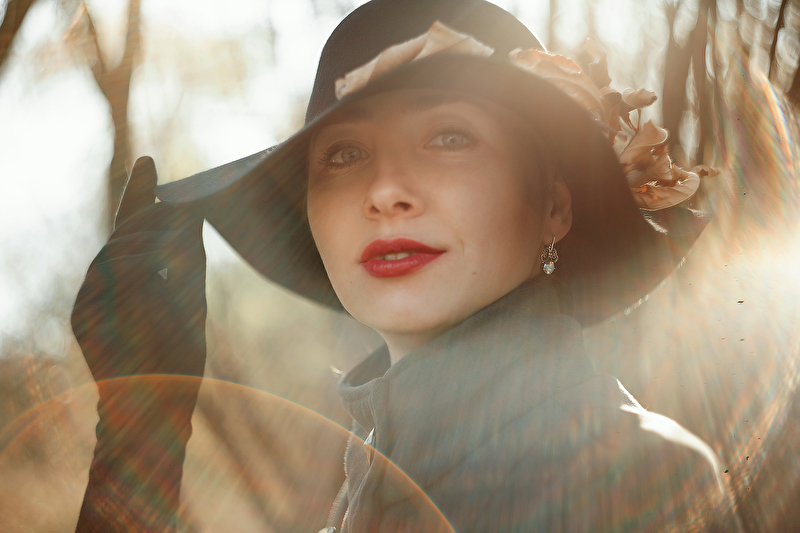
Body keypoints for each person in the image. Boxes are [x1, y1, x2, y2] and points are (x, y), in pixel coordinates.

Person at [71, 0, 742, 531]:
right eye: (343, 154)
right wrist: (140, 431)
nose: (385, 190)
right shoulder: (353, 504)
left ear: (553, 207)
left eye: (449, 137)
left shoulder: (637, 477)